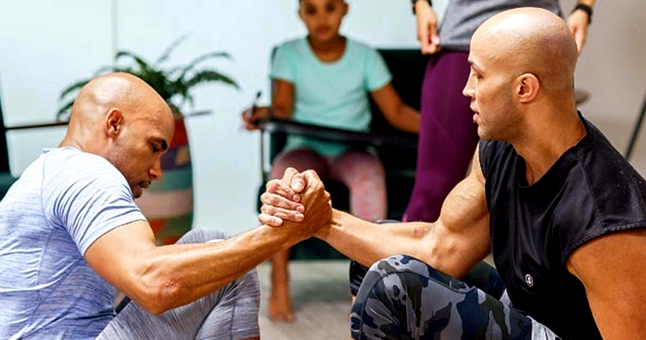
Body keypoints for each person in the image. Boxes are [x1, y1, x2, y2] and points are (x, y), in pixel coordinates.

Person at [259, 8, 646, 340]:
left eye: (477, 75)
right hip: (527, 310)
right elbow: (439, 247)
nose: (465, 90)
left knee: (392, 284)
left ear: (524, 88)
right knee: (377, 256)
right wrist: (322, 222)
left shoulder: (607, 222)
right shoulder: (500, 149)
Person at [0, 72, 331, 340]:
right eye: (154, 147)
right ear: (114, 125)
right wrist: (282, 235)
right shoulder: (87, 172)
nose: (157, 170)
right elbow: (154, 283)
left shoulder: (50, 171)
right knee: (223, 260)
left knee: (215, 253)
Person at [241, 0, 420, 322]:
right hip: (305, 147)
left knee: (370, 178)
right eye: (311, 10)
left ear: (344, 9)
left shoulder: (365, 56)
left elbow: (396, 112)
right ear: (300, 15)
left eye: (329, 8)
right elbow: (281, 109)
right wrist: (261, 113)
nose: (321, 18)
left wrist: (444, 133)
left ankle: (367, 288)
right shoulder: (289, 53)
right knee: (284, 175)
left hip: (353, 150)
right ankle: (280, 279)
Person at [404, 0, 597, 223]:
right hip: (464, 35)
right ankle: (405, 257)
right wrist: (421, 4)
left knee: (544, 188)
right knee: (433, 190)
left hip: (535, 41)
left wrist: (584, 8)